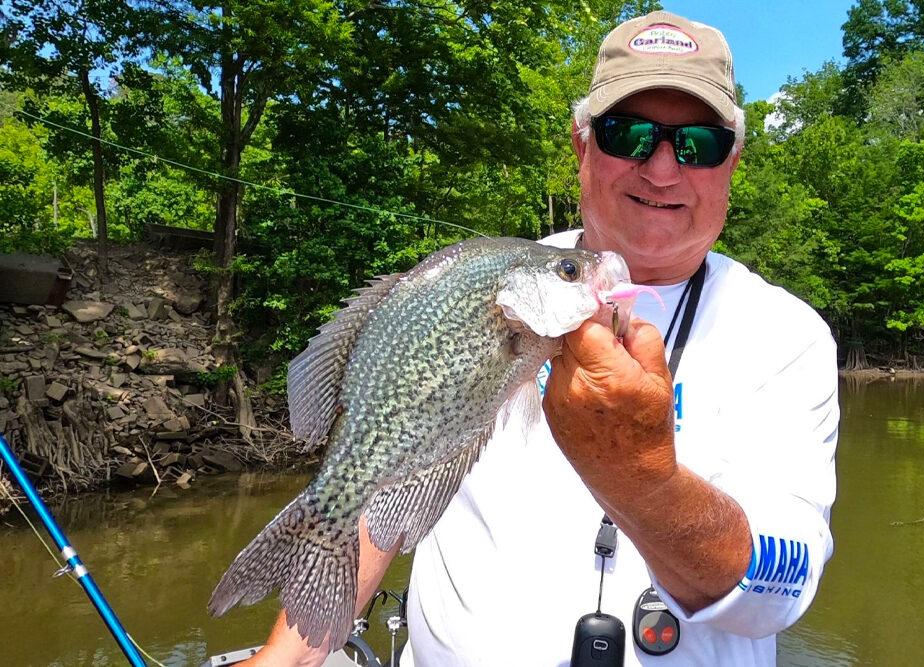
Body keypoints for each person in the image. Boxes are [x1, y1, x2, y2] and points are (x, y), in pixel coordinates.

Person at [244, 10, 838, 666]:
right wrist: (286, 657)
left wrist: (642, 477)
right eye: (627, 134)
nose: (662, 169)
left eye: (698, 143)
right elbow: (388, 467)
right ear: (583, 148)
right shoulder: (500, 288)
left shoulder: (787, 337)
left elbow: (782, 590)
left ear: (732, 162)